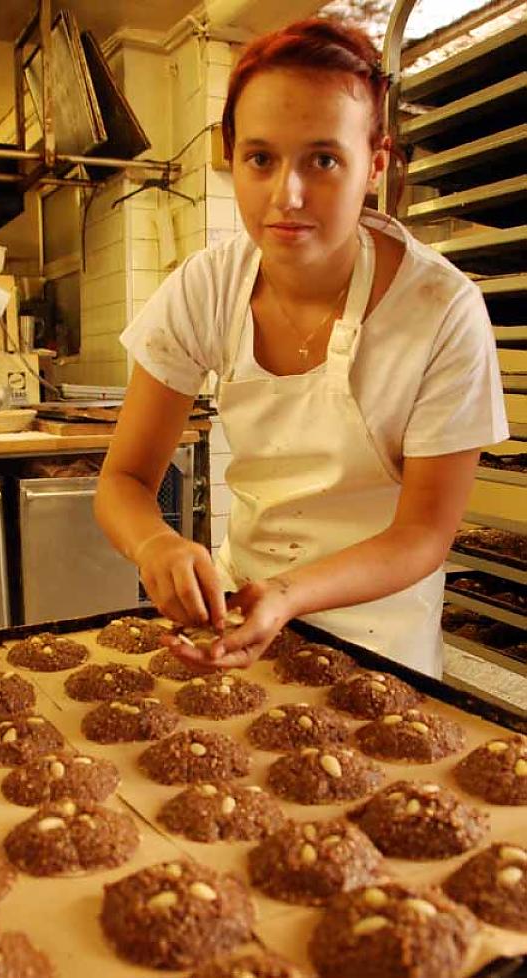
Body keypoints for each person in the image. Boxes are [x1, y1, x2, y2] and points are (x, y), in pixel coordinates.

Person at [94, 17, 508, 679]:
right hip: (239, 622)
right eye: (261, 158)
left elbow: (423, 534)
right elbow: (123, 480)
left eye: (322, 159)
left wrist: (289, 595)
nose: (287, 196)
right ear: (233, 159)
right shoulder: (209, 286)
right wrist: (156, 545)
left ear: (374, 163)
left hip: (382, 643)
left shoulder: (441, 312)